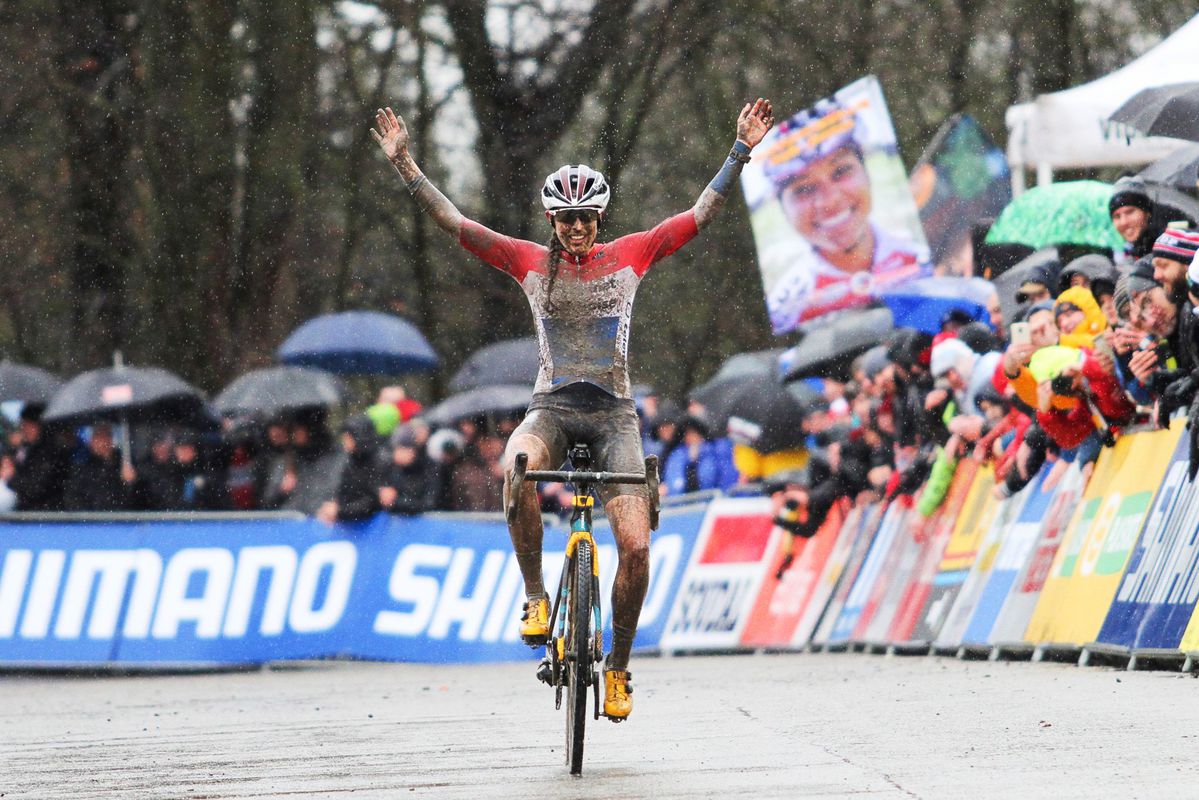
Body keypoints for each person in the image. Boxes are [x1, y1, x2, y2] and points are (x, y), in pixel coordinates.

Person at [372, 97, 774, 720]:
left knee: (637, 549)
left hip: (614, 414)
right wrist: (405, 165)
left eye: (586, 218)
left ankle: (618, 667)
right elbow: (456, 223)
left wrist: (740, 151)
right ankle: (535, 593)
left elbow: (698, 215)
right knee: (517, 465)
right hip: (553, 409)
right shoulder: (530, 262)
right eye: (565, 220)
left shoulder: (632, 255)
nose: (577, 229)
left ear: (600, 217)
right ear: (553, 222)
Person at [761, 99, 928, 328]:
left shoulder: (923, 256)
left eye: (841, 171)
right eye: (804, 189)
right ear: (782, 208)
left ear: (866, 173)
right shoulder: (787, 308)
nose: (830, 200)